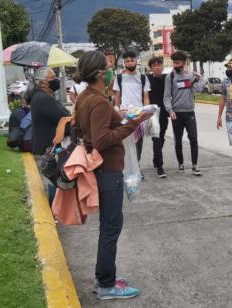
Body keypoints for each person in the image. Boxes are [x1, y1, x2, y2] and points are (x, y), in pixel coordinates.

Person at [73, 50, 153, 300]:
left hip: (102, 169)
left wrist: (129, 117)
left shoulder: (86, 97)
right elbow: (102, 139)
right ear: (100, 73)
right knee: (111, 226)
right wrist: (133, 124)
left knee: (109, 226)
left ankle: (103, 277)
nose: (112, 72)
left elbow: (88, 129)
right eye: (108, 68)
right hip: (108, 171)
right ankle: (106, 285)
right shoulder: (97, 101)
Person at [28, 67, 70, 204]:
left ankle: (56, 210)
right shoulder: (43, 99)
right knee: (55, 180)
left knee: (55, 180)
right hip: (49, 148)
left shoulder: (41, 97)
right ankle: (55, 210)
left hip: (48, 146)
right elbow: (62, 117)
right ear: (42, 83)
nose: (56, 80)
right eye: (52, 78)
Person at [163, 51, 206, 176]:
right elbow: (166, 97)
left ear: (184, 63)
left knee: (193, 139)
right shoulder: (169, 77)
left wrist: (200, 78)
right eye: (174, 63)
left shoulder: (190, 76)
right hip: (176, 114)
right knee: (178, 140)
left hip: (189, 113)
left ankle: (194, 166)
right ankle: (181, 164)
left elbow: (198, 88)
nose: (175, 65)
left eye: (178, 63)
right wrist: (170, 111)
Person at [113, 49, 151, 162]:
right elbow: (117, 95)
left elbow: (146, 97)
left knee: (138, 143)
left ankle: (137, 168)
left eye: (132, 60)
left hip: (139, 114)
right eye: (127, 61)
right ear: (124, 63)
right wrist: (117, 108)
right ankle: (126, 169)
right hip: (125, 115)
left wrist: (147, 110)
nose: (129, 63)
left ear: (136, 61)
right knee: (125, 142)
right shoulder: (119, 78)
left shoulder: (143, 78)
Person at [147, 57, 169, 178]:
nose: (157, 67)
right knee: (156, 138)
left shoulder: (167, 78)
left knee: (161, 138)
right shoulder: (147, 79)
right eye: (154, 65)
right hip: (153, 113)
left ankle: (156, 159)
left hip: (164, 113)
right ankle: (160, 167)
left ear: (162, 66)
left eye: (159, 65)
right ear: (151, 68)